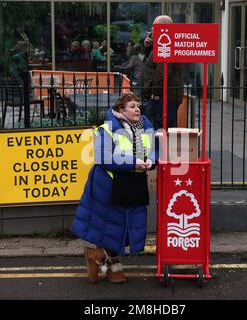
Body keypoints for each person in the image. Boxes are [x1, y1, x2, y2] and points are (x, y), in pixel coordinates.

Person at [73, 92, 156, 284]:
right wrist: (133, 162)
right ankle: (106, 261)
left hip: (133, 184)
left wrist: (153, 160)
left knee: (126, 226)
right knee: (112, 225)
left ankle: (100, 257)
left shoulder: (146, 128)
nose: (137, 109)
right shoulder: (107, 129)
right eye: (132, 106)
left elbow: (155, 149)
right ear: (121, 110)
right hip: (109, 184)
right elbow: (104, 158)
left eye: (138, 105)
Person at [142, 15, 185, 129]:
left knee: (159, 130)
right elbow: (151, 63)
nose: (151, 29)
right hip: (164, 96)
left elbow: (163, 72)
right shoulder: (162, 43)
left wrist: (154, 93)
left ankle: (160, 147)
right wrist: (148, 46)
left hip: (163, 97)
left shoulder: (167, 45)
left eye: (154, 26)